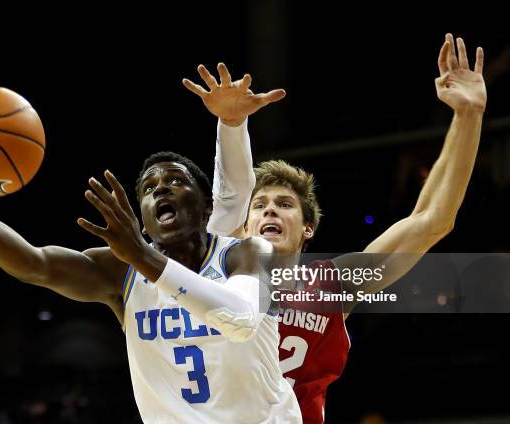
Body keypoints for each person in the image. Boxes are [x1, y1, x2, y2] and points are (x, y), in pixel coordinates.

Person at [182, 33, 487, 423]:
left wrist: (469, 115)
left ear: (307, 228)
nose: (270, 211)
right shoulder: (215, 276)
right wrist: (229, 123)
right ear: (243, 225)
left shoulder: (333, 283)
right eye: (259, 205)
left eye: (285, 204)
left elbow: (431, 220)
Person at [0, 124, 302, 420]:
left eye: (175, 181)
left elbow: (239, 319)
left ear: (206, 208)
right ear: (143, 216)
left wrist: (141, 256)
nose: (161, 190)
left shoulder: (247, 253)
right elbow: (32, 264)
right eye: (149, 188)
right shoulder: (120, 270)